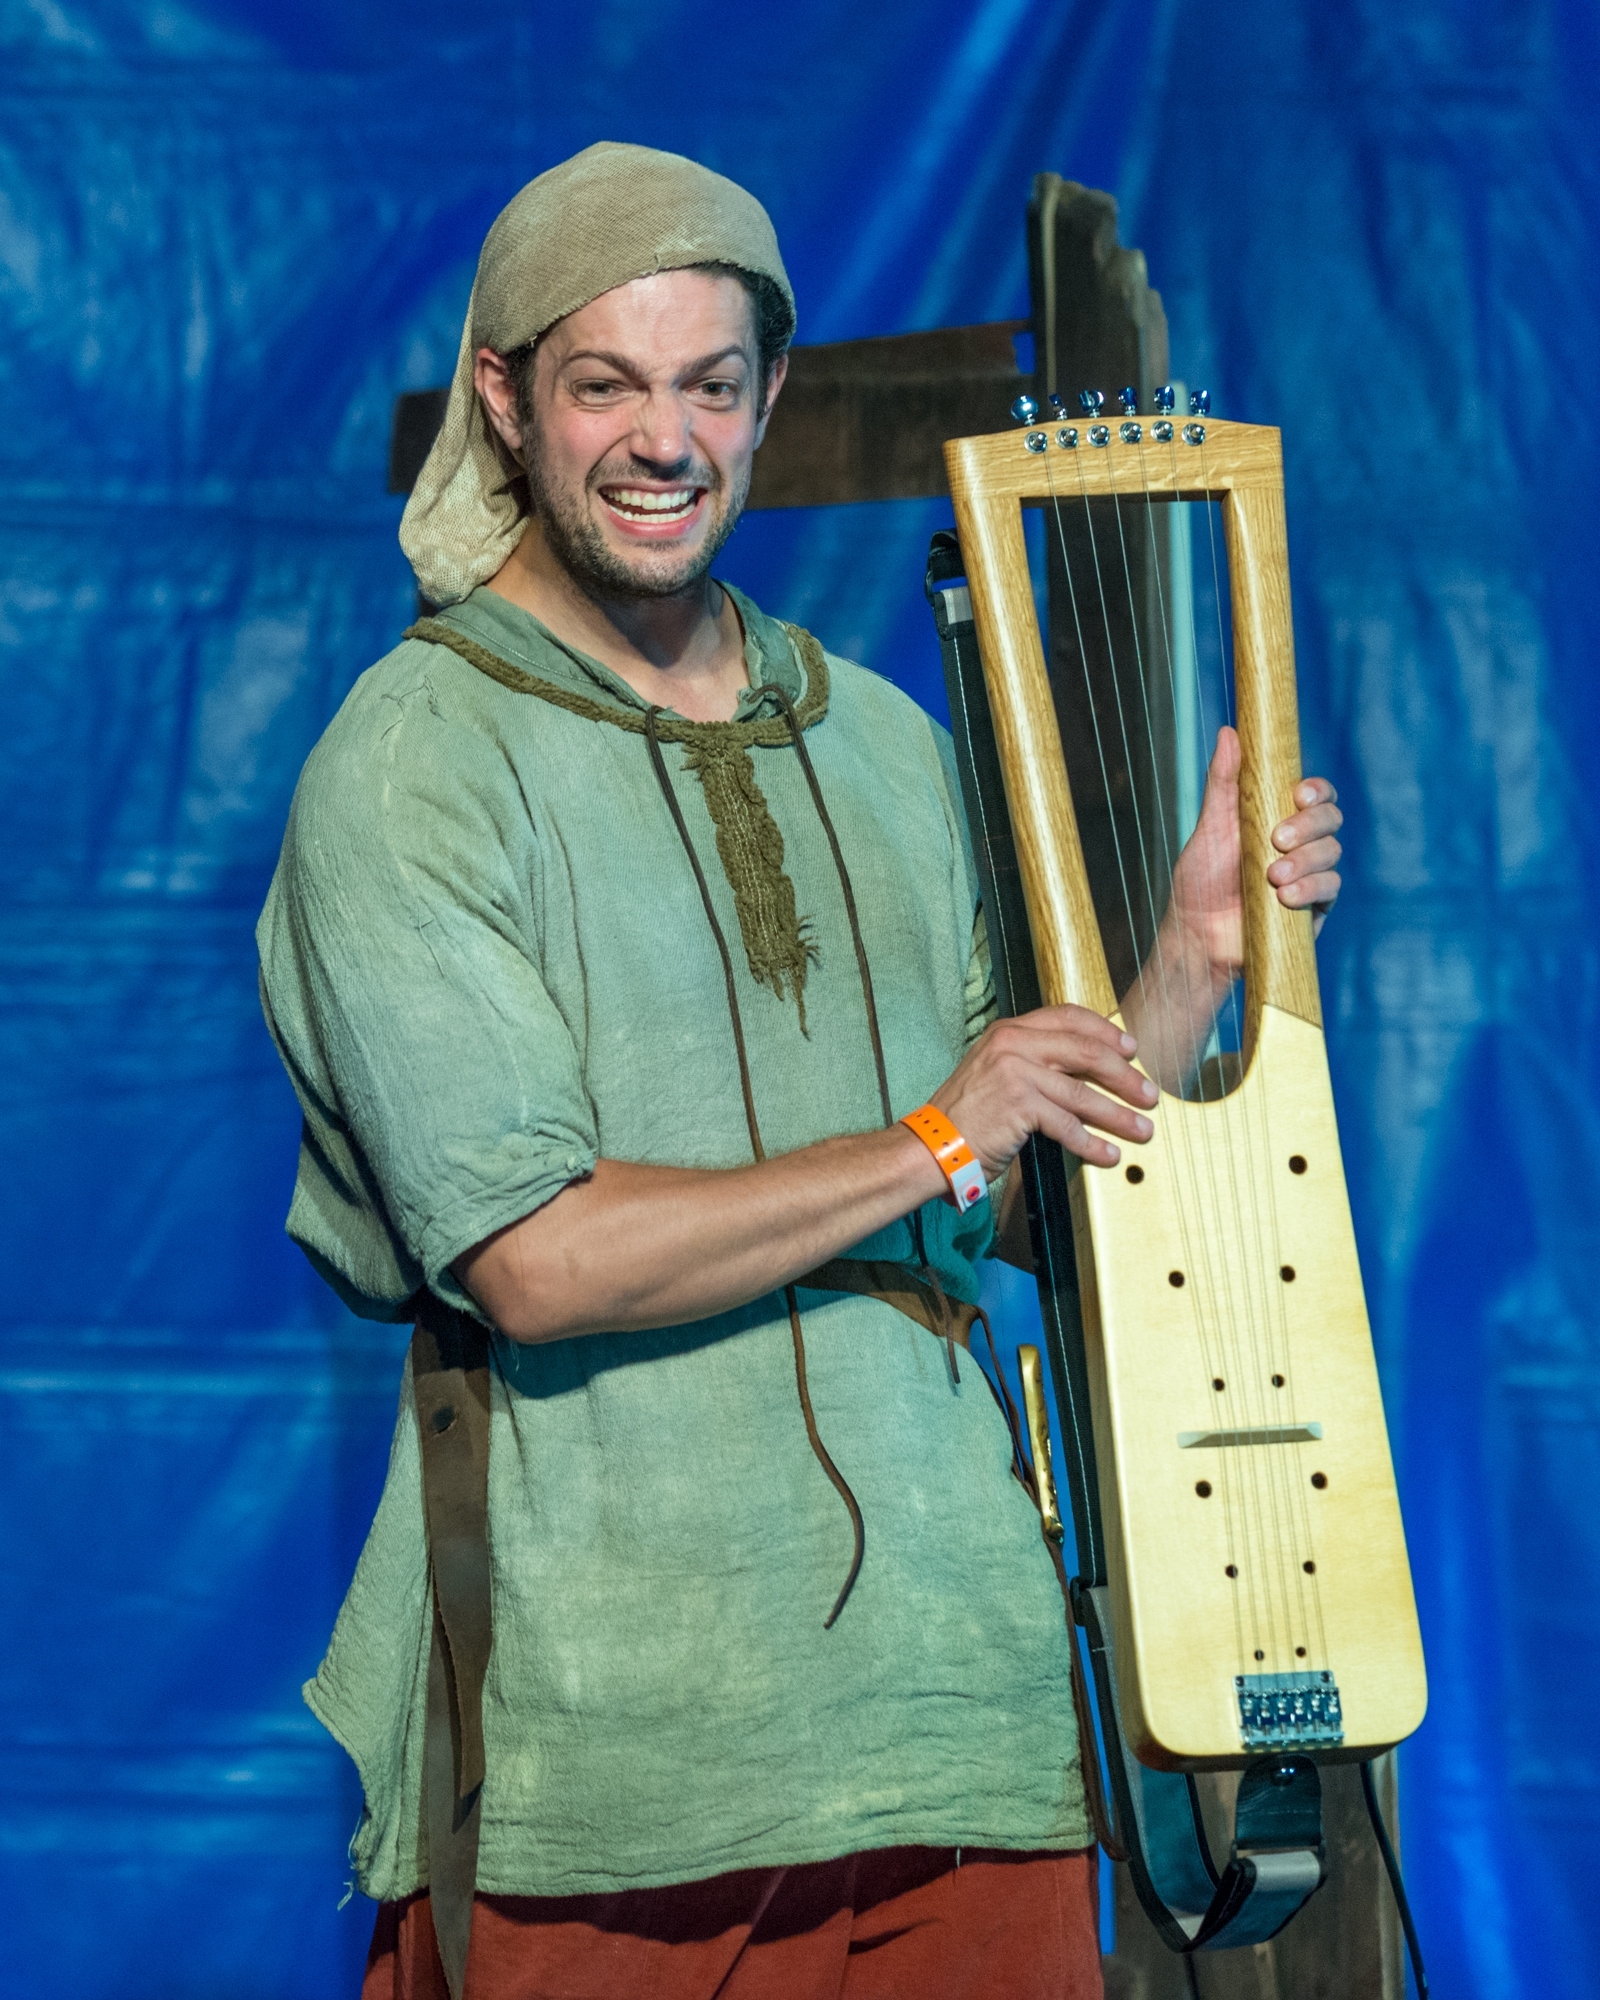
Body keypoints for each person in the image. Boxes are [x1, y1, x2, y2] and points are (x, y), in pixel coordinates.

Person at [257, 142, 1343, 2000]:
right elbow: (539, 1257)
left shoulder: (881, 740)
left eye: (710, 383)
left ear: (768, 401)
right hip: (620, 1738)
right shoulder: (415, 760)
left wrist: (1182, 970)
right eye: (606, 383)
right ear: (507, 400)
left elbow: (1019, 1168)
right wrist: (940, 1132)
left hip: (958, 1710)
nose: (663, 439)